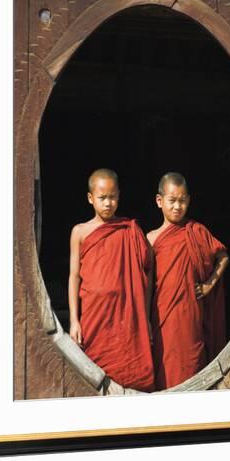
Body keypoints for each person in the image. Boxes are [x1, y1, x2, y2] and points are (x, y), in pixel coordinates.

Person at [68, 168, 154, 392]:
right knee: (92, 375)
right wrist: (74, 320)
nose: (108, 203)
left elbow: (148, 269)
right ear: (90, 198)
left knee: (131, 373)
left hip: (126, 316)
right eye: (102, 198)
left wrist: (145, 316)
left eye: (113, 197)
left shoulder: (129, 230)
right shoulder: (80, 231)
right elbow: (74, 276)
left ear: (119, 195)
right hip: (94, 315)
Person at [147, 172, 229, 390]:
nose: (177, 207)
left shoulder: (196, 231)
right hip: (162, 314)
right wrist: (144, 318)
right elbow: (145, 285)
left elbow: (223, 256)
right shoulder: (151, 239)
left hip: (191, 314)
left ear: (189, 201)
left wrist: (210, 284)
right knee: (166, 365)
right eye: (172, 201)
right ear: (159, 201)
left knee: (192, 364)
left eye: (182, 201)